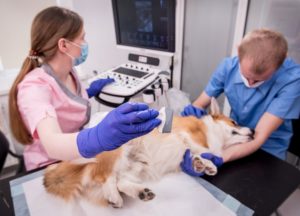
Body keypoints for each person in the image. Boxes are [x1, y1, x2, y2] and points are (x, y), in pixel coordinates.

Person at [8, 6, 161, 171]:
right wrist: (98, 137)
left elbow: (63, 103)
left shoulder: (69, 71)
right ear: (64, 45)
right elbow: (53, 144)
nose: (85, 44)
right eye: (82, 38)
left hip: (73, 156)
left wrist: (88, 93)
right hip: (49, 167)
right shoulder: (34, 87)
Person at [181, 28, 300, 176]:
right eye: (246, 76)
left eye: (258, 80)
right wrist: (191, 115)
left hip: (268, 149)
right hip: (235, 136)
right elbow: (199, 103)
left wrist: (219, 157)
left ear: (280, 63)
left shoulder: (292, 80)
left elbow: (259, 137)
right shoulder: (228, 67)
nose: (249, 84)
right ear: (239, 52)